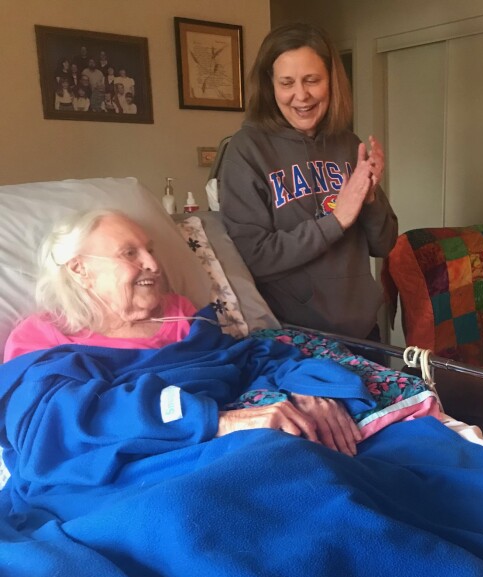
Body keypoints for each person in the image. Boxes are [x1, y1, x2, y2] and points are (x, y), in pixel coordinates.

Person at [3, 209, 361, 455]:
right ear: (80, 269)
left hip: (236, 445)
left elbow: (244, 359)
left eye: (150, 250)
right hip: (147, 471)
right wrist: (214, 422)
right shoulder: (42, 337)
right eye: (130, 253)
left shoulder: (179, 313)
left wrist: (308, 385)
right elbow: (54, 425)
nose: (153, 265)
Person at [219, 23, 398, 340]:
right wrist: (336, 220)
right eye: (286, 83)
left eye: (312, 80)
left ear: (332, 82)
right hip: (295, 340)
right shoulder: (246, 150)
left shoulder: (347, 144)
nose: (300, 96)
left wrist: (369, 200)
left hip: (363, 331)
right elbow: (255, 256)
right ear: (270, 85)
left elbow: (384, 244)